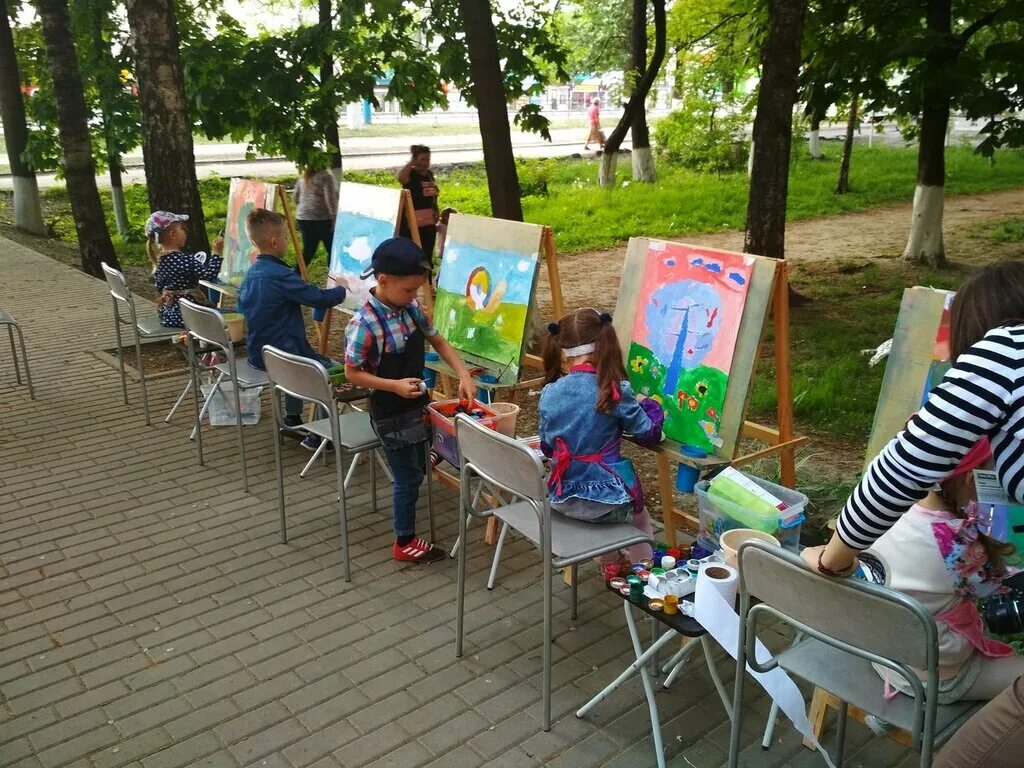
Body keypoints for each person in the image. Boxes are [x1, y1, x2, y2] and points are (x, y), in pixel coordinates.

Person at [800, 261, 1024, 768]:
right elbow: (993, 596)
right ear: (966, 476)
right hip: (939, 673)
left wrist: (833, 558)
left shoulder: (894, 520)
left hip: (885, 656)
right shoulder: (959, 542)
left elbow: (891, 484)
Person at [344, 237, 475, 564]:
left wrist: (463, 374)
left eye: (417, 289)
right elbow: (352, 373)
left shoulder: (411, 308)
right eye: (408, 290)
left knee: (422, 452)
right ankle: (403, 541)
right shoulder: (364, 324)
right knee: (408, 478)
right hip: (390, 411)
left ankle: (423, 457)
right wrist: (393, 386)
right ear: (383, 280)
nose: (414, 296)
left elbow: (437, 340)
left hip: (415, 402)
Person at [868, 436, 1023, 704]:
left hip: (883, 651)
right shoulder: (955, 542)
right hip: (934, 676)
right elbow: (997, 588)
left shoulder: (884, 506)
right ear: (971, 479)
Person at [538, 307, 664, 565]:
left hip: (562, 497)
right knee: (640, 518)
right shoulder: (612, 389)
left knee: (607, 520)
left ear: (563, 350)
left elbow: (547, 447)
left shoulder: (550, 392)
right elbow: (647, 434)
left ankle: (610, 565)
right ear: (605, 343)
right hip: (607, 501)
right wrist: (651, 406)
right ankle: (644, 571)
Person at [237, 208, 346, 449]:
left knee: (293, 367)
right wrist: (342, 289)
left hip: (261, 354)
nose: (288, 241)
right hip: (286, 355)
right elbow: (318, 299)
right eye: (286, 236)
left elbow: (240, 306)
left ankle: (293, 418)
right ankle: (321, 436)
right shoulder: (279, 275)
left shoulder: (252, 272)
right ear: (275, 242)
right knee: (332, 371)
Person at [146, 211, 224, 328]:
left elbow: (159, 287)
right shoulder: (186, 260)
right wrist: (217, 253)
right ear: (173, 234)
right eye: (182, 229)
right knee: (233, 315)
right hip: (191, 317)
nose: (185, 232)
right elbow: (209, 274)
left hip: (169, 316)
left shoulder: (159, 262)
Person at [397, 145, 439, 264]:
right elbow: (401, 178)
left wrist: (436, 209)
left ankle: (426, 274)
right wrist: (411, 163)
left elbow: (433, 196)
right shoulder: (410, 174)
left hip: (428, 221)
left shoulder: (429, 175)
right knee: (412, 251)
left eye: (427, 159)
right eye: (422, 159)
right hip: (412, 221)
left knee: (427, 252)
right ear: (415, 160)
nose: (425, 163)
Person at [293, 163, 338, 274]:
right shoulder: (327, 177)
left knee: (308, 250)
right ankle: (333, 275)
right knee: (332, 249)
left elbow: (295, 196)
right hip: (322, 218)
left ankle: (295, 274)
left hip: (303, 217)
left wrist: (304, 209)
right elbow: (330, 200)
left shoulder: (304, 177)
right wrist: (334, 218)